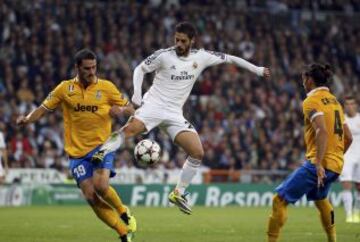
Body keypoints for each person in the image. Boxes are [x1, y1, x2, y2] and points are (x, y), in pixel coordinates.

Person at [91, 21, 271, 214]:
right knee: (130, 131)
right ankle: (103, 151)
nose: (178, 44)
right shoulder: (163, 55)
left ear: (192, 41)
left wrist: (257, 70)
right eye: (176, 39)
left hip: (174, 113)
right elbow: (140, 69)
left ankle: (178, 193)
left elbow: (230, 58)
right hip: (153, 106)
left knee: (197, 152)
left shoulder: (202, 57)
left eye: (183, 41)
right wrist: (136, 94)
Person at [16, 49, 136, 242]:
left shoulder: (106, 87)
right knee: (91, 197)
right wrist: (28, 119)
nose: (92, 71)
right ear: (77, 68)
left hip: (102, 146)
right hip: (77, 153)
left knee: (101, 186)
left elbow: (131, 108)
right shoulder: (64, 89)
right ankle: (123, 234)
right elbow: (43, 108)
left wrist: (120, 110)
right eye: (87, 68)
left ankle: (123, 212)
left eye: (94, 67)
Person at [266, 63, 353, 242]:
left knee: (279, 199)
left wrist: (320, 163)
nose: (302, 82)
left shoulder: (311, 101)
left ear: (310, 80)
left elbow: (321, 130)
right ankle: (333, 240)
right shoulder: (335, 101)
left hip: (318, 164)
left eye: (303, 78)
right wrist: (335, 158)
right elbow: (349, 137)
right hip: (336, 164)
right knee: (321, 200)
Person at [339, 95, 360, 223]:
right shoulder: (341, 120)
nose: (350, 106)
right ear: (344, 106)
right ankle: (349, 215)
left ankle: (357, 212)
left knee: (359, 187)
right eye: (347, 104)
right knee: (346, 184)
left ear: (356, 105)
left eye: (352, 104)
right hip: (346, 155)